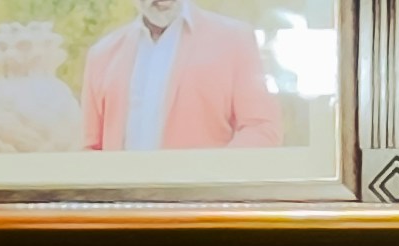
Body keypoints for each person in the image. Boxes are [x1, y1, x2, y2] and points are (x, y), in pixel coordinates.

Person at [79, 0, 284, 152]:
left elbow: (261, 129)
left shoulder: (235, 39)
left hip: (202, 205)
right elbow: (90, 149)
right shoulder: (101, 55)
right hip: (123, 207)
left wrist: (212, 178)